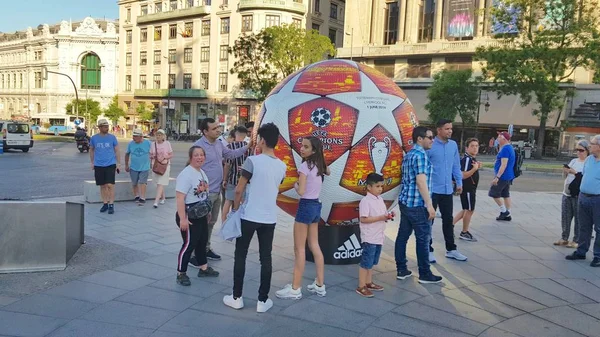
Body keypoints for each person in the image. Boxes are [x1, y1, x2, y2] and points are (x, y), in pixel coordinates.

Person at [223, 123, 287, 313]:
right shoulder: (282, 166)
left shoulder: (253, 161)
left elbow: (239, 189)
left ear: (263, 140)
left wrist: (235, 209)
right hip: (269, 218)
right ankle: (262, 300)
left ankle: (237, 297)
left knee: (240, 255)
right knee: (265, 258)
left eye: (258, 138)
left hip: (249, 215)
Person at [192, 118, 252, 263]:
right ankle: (196, 254)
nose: (218, 130)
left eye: (218, 127)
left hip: (216, 190)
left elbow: (230, 155)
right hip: (204, 193)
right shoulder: (198, 146)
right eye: (214, 128)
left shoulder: (219, 143)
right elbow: (192, 168)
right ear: (205, 131)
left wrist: (248, 146)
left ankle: (205, 248)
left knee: (211, 222)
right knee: (200, 225)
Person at [276, 136, 329, 300]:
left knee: (299, 249)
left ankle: (295, 288)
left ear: (313, 150)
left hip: (305, 205)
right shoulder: (320, 166)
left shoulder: (305, 166)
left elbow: (301, 191)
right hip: (316, 206)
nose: (302, 149)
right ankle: (320, 285)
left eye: (306, 147)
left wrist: (295, 185)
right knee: (314, 245)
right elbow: (328, 171)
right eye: (302, 145)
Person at [395, 126, 442, 284]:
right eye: (429, 137)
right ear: (419, 139)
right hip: (417, 205)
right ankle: (424, 273)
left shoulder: (409, 154)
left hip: (406, 202)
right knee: (423, 239)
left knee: (402, 237)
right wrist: (429, 205)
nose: (432, 140)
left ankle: (401, 270)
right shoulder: (420, 155)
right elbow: (421, 181)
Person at [175, 146, 219, 286]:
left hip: (201, 213)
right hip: (189, 214)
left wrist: (208, 211)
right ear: (191, 157)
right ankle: (181, 273)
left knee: (202, 241)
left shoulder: (201, 172)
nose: (199, 157)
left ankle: (203, 268)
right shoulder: (186, 174)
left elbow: (204, 194)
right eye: (196, 155)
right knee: (189, 244)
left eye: (202, 155)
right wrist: (183, 218)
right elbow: (180, 198)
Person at [427, 119, 467, 262]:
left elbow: (456, 165)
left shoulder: (453, 145)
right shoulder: (430, 145)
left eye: (451, 128)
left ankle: (451, 249)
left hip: (447, 190)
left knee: (448, 220)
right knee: (429, 221)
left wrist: (459, 182)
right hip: (432, 190)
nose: (450, 131)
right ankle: (428, 250)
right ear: (439, 130)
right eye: (447, 128)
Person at [355, 173, 394, 297]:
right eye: (377, 186)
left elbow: (383, 214)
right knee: (366, 262)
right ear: (369, 187)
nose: (380, 189)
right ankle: (361, 286)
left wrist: (388, 216)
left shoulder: (380, 199)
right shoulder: (365, 201)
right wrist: (381, 217)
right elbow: (364, 219)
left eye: (381, 186)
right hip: (369, 237)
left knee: (371, 262)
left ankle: (368, 282)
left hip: (378, 236)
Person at [566, 135, 600, 267]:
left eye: (592, 144)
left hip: (597, 199)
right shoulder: (589, 159)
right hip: (583, 196)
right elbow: (585, 175)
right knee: (583, 226)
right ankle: (581, 251)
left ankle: (598, 256)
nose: (590, 146)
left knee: (599, 228)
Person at [554, 140, 590, 247]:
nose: (579, 152)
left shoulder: (588, 163)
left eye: (581, 150)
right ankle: (564, 237)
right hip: (567, 192)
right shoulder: (574, 161)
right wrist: (566, 171)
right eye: (577, 150)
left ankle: (576, 240)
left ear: (587, 151)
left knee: (578, 218)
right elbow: (566, 175)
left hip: (578, 194)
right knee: (565, 216)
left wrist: (574, 172)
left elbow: (585, 177)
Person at [89, 119, 121, 215]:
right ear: (99, 127)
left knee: (110, 185)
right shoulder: (94, 138)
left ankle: (111, 204)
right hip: (98, 164)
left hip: (110, 163)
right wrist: (92, 162)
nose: (106, 128)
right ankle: (105, 203)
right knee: (102, 185)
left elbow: (117, 150)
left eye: (107, 126)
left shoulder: (112, 138)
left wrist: (118, 163)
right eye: (104, 126)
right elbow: (91, 150)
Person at [453, 138, 482, 242]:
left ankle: (451, 225)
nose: (475, 148)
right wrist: (474, 169)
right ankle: (464, 232)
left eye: (476, 146)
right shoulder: (467, 159)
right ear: (467, 148)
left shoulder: (470, 159)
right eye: (472, 146)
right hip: (468, 188)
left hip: (469, 188)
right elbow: (462, 175)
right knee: (469, 210)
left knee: (466, 209)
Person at [222, 126, 249, 222]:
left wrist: (224, 179)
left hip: (232, 179)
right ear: (245, 135)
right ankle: (240, 223)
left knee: (228, 201)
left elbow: (227, 165)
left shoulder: (230, 147)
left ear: (236, 134)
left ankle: (224, 223)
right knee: (243, 202)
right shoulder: (249, 147)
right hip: (244, 181)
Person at [489, 131, 515, 221]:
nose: (497, 139)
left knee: (494, 193)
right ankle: (508, 213)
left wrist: (497, 177)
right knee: (505, 195)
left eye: (499, 137)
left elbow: (503, 164)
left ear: (504, 139)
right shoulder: (509, 147)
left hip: (502, 176)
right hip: (508, 175)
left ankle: (504, 212)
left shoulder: (505, 149)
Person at [125, 128, 151, 205]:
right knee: (134, 182)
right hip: (133, 167)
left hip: (145, 166)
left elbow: (154, 151)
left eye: (135, 136)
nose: (134, 138)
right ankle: (136, 195)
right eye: (133, 136)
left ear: (141, 137)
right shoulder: (131, 144)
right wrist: (126, 165)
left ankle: (142, 197)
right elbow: (127, 154)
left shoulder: (148, 143)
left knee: (143, 182)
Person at [150, 129, 173, 208]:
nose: (158, 136)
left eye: (160, 135)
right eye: (157, 135)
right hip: (155, 165)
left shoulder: (167, 143)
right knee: (158, 183)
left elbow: (171, 154)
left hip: (165, 165)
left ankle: (156, 201)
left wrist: (165, 157)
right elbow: (150, 155)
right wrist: (153, 156)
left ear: (163, 136)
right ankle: (163, 197)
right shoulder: (153, 144)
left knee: (161, 182)